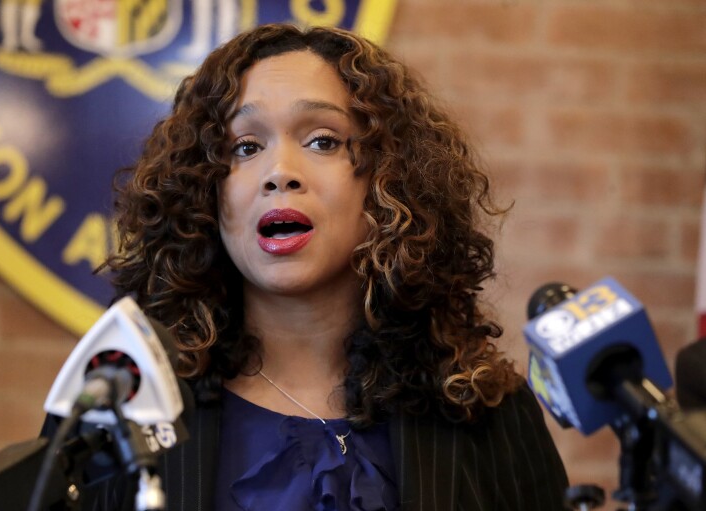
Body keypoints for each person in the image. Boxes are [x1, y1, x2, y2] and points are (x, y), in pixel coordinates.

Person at [79, 22, 569, 510]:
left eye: (322, 141)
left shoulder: (484, 409)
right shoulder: (117, 407)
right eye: (246, 148)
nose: (280, 173)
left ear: (388, 183)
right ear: (204, 190)